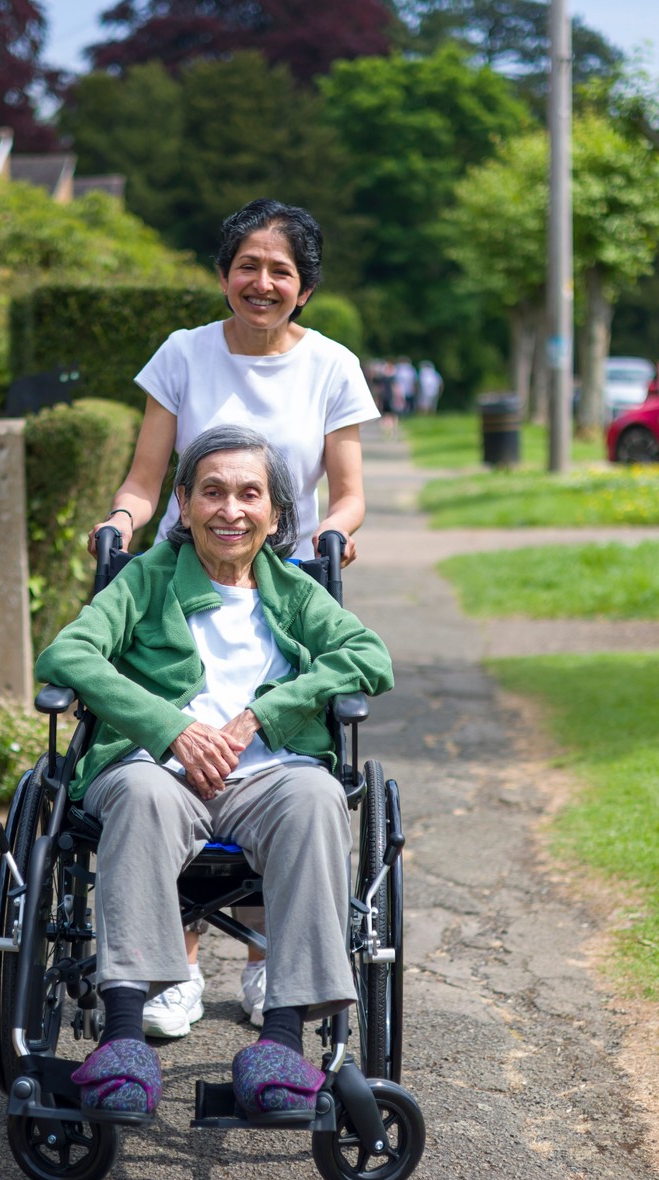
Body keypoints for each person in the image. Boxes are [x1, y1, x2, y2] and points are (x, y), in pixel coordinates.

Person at [37, 426, 394, 1122]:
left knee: (318, 793)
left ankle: (282, 1046)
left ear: (274, 513)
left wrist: (261, 714)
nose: (231, 509)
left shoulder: (291, 589)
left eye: (249, 493)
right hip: (156, 772)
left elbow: (369, 656)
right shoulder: (145, 578)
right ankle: (121, 1041)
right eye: (213, 491)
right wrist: (170, 729)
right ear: (183, 502)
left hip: (270, 778)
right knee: (139, 791)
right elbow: (68, 654)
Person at [89, 198, 379, 1039]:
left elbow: (351, 491)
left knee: (271, 759)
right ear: (224, 274)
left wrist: (333, 531)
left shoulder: (331, 365)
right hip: (180, 579)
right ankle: (170, 964)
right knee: (177, 746)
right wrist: (121, 524)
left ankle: (266, 962)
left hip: (285, 579)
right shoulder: (182, 354)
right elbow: (147, 478)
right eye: (247, 265)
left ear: (306, 286)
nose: (262, 282)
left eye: (280, 270)